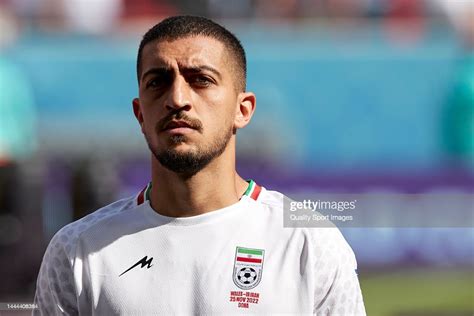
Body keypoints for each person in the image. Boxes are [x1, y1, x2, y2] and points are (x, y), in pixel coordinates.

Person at [33, 15, 366, 315]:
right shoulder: (76, 250)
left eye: (201, 79)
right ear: (140, 114)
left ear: (243, 110)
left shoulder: (309, 242)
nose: (177, 99)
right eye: (158, 81)